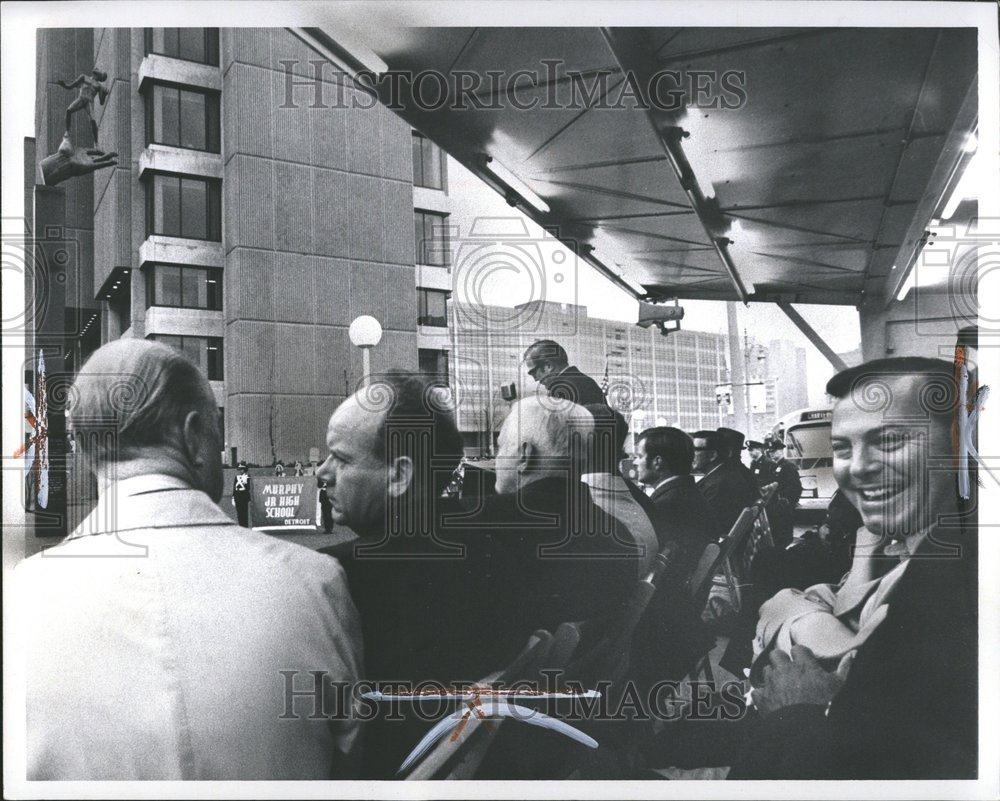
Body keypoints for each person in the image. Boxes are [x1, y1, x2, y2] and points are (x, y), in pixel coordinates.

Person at [17, 340, 362, 780]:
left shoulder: (18, 598)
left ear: (86, 451)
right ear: (196, 435)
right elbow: (353, 754)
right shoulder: (316, 584)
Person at [729, 357, 976, 779]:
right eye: (842, 447)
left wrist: (798, 711)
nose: (857, 468)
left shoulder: (960, 590)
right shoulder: (928, 545)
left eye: (891, 440)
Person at [632, 426, 716, 577]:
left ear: (658, 462)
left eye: (639, 456)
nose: (635, 462)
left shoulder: (668, 505)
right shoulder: (686, 493)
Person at [691, 429, 759, 541]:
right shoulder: (722, 475)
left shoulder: (719, 484)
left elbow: (704, 528)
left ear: (713, 455)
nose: (691, 454)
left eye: (696, 450)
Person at [522, 339, 606, 406]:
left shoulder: (562, 389)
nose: (536, 379)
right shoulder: (583, 380)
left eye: (533, 372)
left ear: (548, 366)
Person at [765, 436, 802, 549]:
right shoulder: (775, 466)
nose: (771, 454)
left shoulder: (788, 466)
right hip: (774, 508)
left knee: (783, 536)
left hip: (783, 508)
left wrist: (787, 502)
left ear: (781, 451)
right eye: (770, 452)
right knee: (776, 535)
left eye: (774, 451)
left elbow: (796, 487)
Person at [56, 69, 109, 146]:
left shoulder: (99, 86)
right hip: (81, 99)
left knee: (93, 121)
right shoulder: (84, 77)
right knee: (68, 110)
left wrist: (104, 95)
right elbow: (71, 86)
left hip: (89, 102)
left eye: (99, 76)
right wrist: (64, 85)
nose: (97, 77)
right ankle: (67, 131)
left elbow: (101, 102)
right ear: (95, 74)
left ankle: (96, 143)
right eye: (98, 75)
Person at [232, 460, 251, 527]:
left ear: (244, 470)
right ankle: (241, 525)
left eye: (242, 469)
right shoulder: (236, 477)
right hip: (238, 496)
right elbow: (234, 488)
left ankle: (245, 526)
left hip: (244, 496)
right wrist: (233, 497)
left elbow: (249, 487)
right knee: (239, 513)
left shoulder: (248, 477)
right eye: (240, 469)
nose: (240, 471)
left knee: (244, 513)